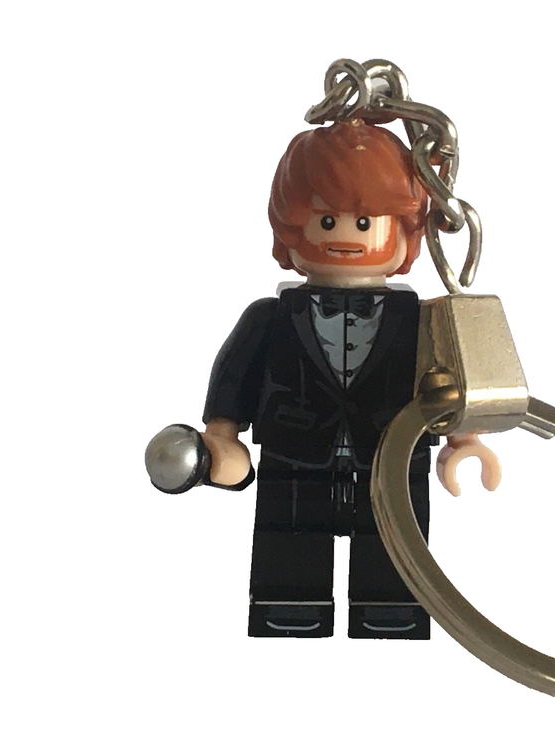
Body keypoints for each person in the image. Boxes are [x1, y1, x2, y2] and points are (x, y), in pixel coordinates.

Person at [201, 120, 500, 638]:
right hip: (294, 451)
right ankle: (290, 610)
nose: (344, 236)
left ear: (407, 234)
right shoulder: (269, 317)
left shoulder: (423, 321)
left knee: (395, 542)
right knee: (289, 539)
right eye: (325, 219)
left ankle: (390, 612)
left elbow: (445, 380)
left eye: (365, 222)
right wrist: (221, 437)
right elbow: (234, 375)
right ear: (289, 230)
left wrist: (464, 439)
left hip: (393, 452)